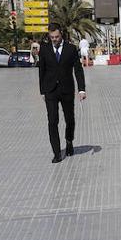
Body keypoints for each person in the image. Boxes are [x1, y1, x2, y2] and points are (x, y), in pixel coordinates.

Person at [37, 23, 87, 163]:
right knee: (52, 121)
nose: (54, 39)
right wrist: (42, 91)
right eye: (51, 37)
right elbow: (42, 71)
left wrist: (81, 89)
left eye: (57, 37)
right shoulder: (45, 49)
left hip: (67, 90)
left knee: (69, 119)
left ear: (61, 35)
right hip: (50, 90)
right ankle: (57, 152)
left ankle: (69, 141)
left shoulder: (71, 49)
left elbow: (78, 70)